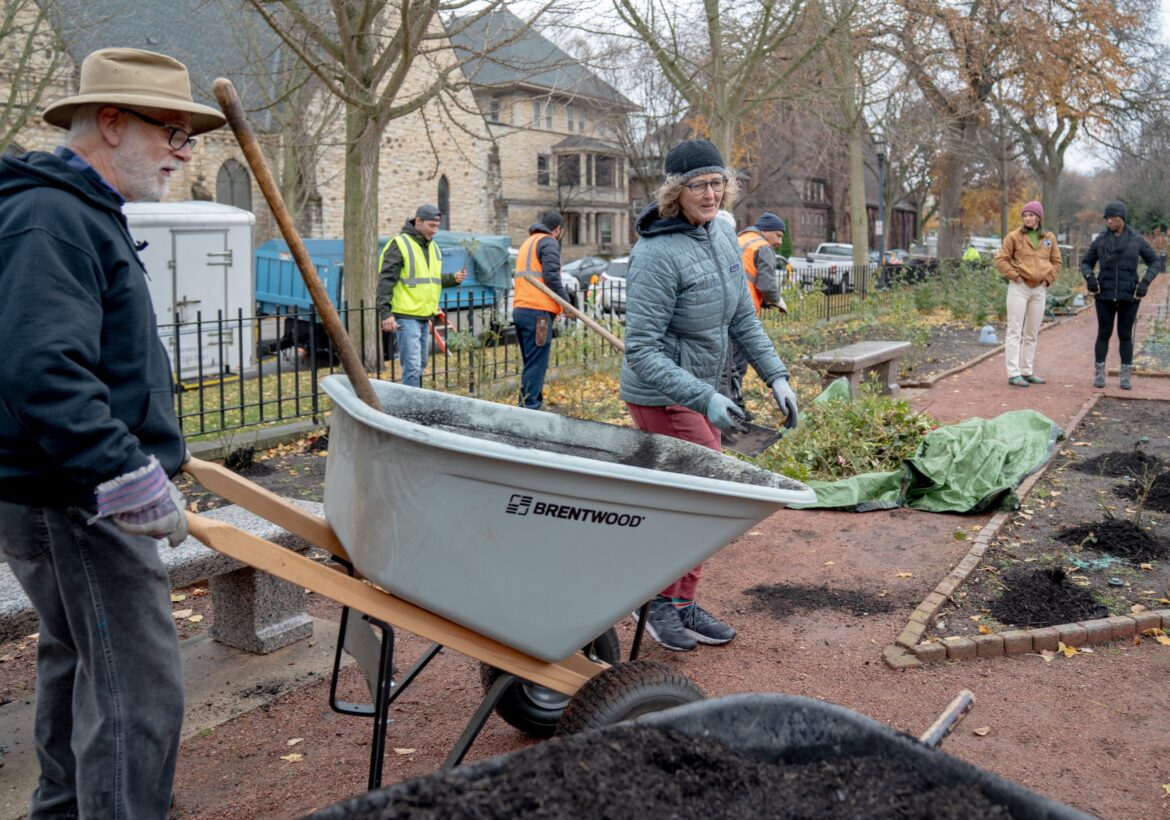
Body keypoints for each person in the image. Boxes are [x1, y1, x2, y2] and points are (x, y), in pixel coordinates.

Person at [0, 47, 227, 818]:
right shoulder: (51, 216)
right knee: (140, 693)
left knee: (78, 668)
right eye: (171, 130)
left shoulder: (70, 209)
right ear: (108, 121)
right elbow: (42, 368)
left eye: (187, 136)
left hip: (63, 494)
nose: (182, 151)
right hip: (79, 502)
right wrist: (126, 473)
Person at [620, 139, 799, 652]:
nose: (711, 193)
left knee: (700, 496)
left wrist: (777, 376)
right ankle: (657, 601)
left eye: (717, 182)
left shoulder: (720, 235)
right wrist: (704, 398)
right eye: (698, 185)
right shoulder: (656, 254)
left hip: (703, 389)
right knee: (704, 495)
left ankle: (679, 601)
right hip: (664, 394)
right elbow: (642, 351)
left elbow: (742, 317)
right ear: (676, 192)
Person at [377, 204, 466, 387]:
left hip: (425, 315)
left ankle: (413, 404)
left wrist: (453, 279)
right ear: (418, 222)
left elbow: (429, 278)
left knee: (421, 363)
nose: (434, 231)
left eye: (437, 226)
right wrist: (385, 313)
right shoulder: (399, 244)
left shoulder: (432, 247)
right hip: (406, 315)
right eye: (431, 226)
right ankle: (411, 410)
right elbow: (386, 280)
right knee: (412, 366)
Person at [1081, 200, 1163, 390]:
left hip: (1130, 295)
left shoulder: (1137, 239)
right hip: (1104, 295)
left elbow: (1155, 262)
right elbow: (1086, 262)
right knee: (1104, 333)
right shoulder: (1100, 240)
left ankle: (1126, 376)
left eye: (1114, 218)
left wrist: (1144, 283)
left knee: (1125, 335)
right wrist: (1090, 278)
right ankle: (1100, 373)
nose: (1110, 221)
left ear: (1122, 219)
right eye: (1107, 218)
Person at [719, 212, 787, 417]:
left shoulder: (739, 239)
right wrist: (776, 300)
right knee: (736, 364)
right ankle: (734, 410)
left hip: (722, 308)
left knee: (725, 363)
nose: (779, 241)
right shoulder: (762, 246)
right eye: (778, 235)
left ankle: (729, 407)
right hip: (741, 312)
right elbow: (766, 284)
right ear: (765, 231)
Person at [993, 200, 1061, 387]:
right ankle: (1014, 373)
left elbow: (1057, 261)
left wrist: (1048, 280)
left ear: (1039, 217)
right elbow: (1001, 259)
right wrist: (1015, 277)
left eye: (1031, 215)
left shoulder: (1049, 238)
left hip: (1039, 288)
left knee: (1032, 331)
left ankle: (1027, 370)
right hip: (1019, 287)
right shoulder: (1014, 237)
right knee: (1015, 330)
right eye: (1025, 215)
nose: (1028, 218)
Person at [512, 211, 570, 409]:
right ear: (558, 229)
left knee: (531, 361)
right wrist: (566, 304)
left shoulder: (528, 242)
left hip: (521, 309)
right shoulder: (549, 242)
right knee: (537, 363)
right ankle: (530, 407)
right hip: (538, 313)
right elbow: (552, 277)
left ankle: (529, 402)